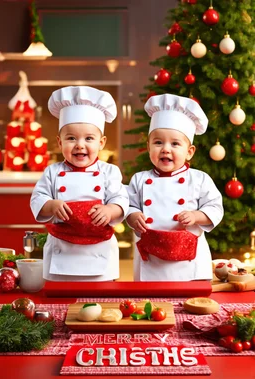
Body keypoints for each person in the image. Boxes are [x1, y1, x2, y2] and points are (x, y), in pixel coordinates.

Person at [30, 86, 129, 281]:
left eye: (89, 138)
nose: (80, 145)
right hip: (62, 249)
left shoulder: (109, 171)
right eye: (71, 138)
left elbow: (121, 199)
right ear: (60, 142)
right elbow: (37, 198)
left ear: (101, 143)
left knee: (101, 296)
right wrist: (52, 205)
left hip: (99, 249)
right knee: (61, 296)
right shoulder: (52, 171)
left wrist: (110, 210)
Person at [126, 93, 224, 281]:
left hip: (188, 262)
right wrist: (133, 215)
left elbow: (215, 207)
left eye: (175, 143)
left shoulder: (199, 179)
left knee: (189, 301)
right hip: (150, 261)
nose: (165, 149)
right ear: (148, 147)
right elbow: (127, 205)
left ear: (189, 152)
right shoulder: (139, 179)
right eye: (158, 142)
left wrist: (196, 216)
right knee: (150, 301)